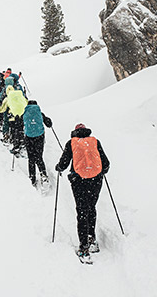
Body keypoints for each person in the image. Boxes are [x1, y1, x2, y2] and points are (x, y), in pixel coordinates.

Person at [55, 123, 110, 260]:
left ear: (75, 132)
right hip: (96, 181)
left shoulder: (71, 143)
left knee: (81, 211)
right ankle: (92, 238)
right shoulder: (95, 142)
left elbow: (64, 163)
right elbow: (106, 163)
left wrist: (58, 168)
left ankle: (84, 247)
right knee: (91, 207)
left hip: (79, 181)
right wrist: (100, 172)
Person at [22, 100, 53, 187]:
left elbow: (19, 124)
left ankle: (32, 178)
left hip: (29, 138)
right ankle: (43, 175)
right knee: (39, 157)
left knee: (31, 158)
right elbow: (49, 124)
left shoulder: (25, 113)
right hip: (39, 137)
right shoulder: (40, 113)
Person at [0, 85, 28, 154]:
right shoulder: (20, 96)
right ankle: (22, 144)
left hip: (13, 118)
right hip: (22, 116)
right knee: (20, 130)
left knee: (14, 131)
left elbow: (2, 110)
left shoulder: (7, 98)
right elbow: (26, 103)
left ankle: (16, 146)